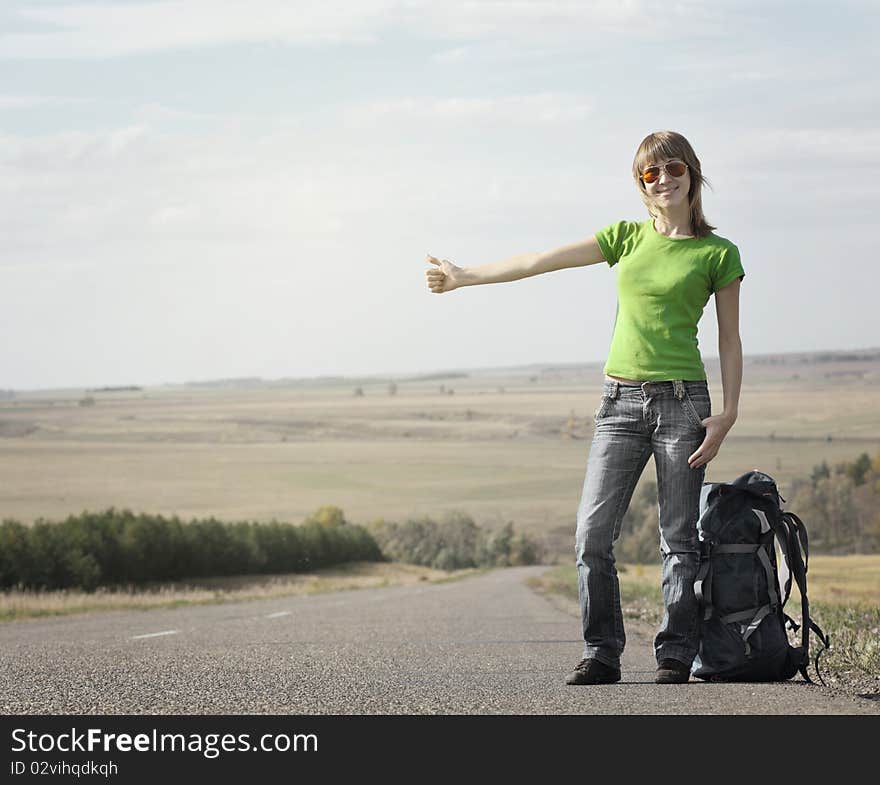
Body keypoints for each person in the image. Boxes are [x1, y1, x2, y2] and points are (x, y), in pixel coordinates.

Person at [424, 130, 744, 686]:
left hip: (682, 404)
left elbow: (730, 340)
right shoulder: (625, 238)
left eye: (673, 169)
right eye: (650, 173)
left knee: (678, 538)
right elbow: (538, 261)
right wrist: (464, 276)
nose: (663, 179)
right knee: (592, 535)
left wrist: (729, 414)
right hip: (618, 403)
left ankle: (673, 653)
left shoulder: (717, 253)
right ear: (640, 185)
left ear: (693, 175)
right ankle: (602, 652)